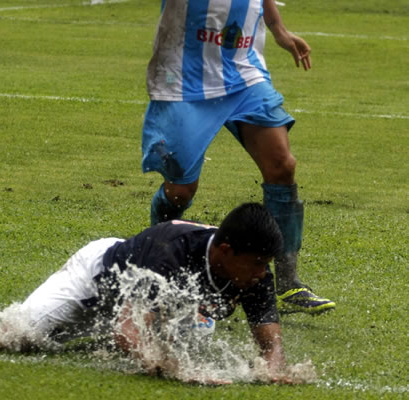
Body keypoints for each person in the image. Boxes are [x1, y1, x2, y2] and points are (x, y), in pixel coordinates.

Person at [0, 203, 300, 383]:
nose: (262, 274)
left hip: (161, 302)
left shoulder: (251, 271)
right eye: (257, 263)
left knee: (193, 338)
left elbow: (270, 338)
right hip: (98, 277)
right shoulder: (167, 252)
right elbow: (127, 332)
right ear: (224, 249)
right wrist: (173, 371)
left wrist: (274, 369)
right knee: (16, 335)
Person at [141, 0, 334, 314]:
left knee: (282, 166)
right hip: (184, 77)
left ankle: (287, 282)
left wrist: (279, 30)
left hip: (243, 71)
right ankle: (159, 259)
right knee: (180, 191)